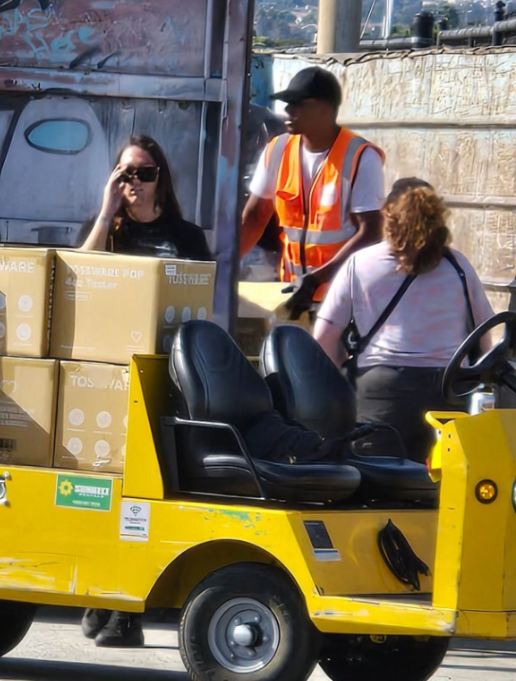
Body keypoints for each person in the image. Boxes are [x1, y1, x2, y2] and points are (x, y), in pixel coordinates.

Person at [80, 136, 211, 649]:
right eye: (125, 173)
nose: (134, 183)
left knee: (143, 502)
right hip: (111, 380)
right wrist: (104, 211)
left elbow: (200, 301)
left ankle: (125, 612)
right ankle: (105, 599)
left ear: (163, 179)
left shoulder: (185, 235)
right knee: (106, 498)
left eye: (144, 173)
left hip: (165, 384)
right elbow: (79, 276)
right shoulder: (108, 232)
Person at [314, 178, 494, 463]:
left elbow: (324, 338)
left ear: (387, 213)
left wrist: (339, 380)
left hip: (380, 392)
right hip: (447, 393)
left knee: (377, 481)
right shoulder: (458, 266)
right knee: (442, 486)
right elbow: (486, 336)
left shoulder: (360, 264)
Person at [240, 67, 385, 318]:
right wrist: (219, 267)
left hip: (345, 302)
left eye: (297, 104)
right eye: (287, 104)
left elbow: (371, 232)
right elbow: (255, 217)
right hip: (291, 297)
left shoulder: (361, 157)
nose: (288, 111)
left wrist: (316, 279)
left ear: (324, 109)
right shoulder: (277, 150)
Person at [80, 134, 211, 261]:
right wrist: (106, 215)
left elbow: (201, 280)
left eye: (145, 173)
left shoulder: (189, 236)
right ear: (116, 177)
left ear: (160, 178)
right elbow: (82, 271)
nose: (136, 181)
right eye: (127, 173)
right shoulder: (100, 227)